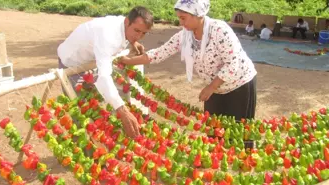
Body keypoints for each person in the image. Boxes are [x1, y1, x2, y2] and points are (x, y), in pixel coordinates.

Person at [119, 0, 257, 148]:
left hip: (239, 84)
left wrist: (211, 87)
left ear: (198, 15)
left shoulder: (219, 30)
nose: (180, 22)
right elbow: (160, 53)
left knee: (240, 132)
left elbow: (232, 63)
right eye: (179, 17)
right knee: (214, 131)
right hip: (216, 88)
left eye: (183, 18)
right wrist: (127, 61)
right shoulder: (185, 36)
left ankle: (245, 162)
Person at [57, 6, 154, 139]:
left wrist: (133, 41)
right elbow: (104, 77)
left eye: (143, 33)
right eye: (136, 31)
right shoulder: (108, 36)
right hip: (72, 64)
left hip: (92, 61)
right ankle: (86, 154)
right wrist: (123, 112)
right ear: (127, 22)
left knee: (99, 105)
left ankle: (108, 141)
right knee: (80, 111)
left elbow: (131, 33)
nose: (139, 36)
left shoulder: (124, 25)